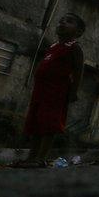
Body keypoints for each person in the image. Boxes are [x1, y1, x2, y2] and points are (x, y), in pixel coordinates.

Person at [20, 13, 86, 167]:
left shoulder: (74, 48)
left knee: (48, 124)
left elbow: (78, 72)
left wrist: (73, 92)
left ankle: (40, 159)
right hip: (40, 92)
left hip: (56, 93)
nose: (63, 23)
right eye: (61, 20)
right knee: (35, 124)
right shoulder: (53, 47)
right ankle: (31, 157)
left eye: (69, 21)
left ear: (78, 32)